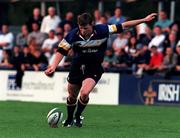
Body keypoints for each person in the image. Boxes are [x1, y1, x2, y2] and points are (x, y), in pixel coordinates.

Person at [45, 12, 157, 128]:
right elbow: (61, 50)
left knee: (84, 93)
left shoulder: (103, 30)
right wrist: (53, 66)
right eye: (81, 28)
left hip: (94, 67)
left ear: (92, 24)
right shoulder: (73, 34)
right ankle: (69, 119)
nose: (83, 31)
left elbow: (124, 26)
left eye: (86, 28)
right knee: (72, 95)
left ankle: (77, 116)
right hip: (77, 66)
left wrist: (143, 20)